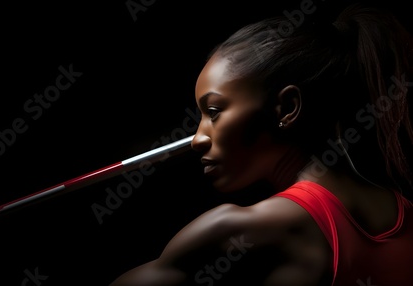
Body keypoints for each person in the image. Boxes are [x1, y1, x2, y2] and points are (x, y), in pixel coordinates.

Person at [109, 2, 413, 285]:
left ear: (286, 108)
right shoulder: (406, 211)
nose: (198, 140)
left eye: (213, 112)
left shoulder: (238, 231)